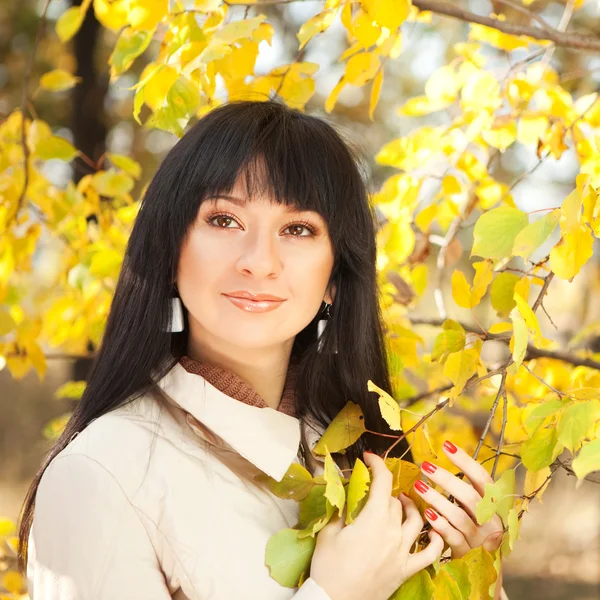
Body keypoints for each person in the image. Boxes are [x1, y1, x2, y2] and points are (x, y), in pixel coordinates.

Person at [17, 99, 502, 599]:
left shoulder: (363, 455)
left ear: (334, 276)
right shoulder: (102, 472)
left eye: (297, 229)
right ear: (169, 248)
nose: (259, 262)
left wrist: (475, 577)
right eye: (225, 220)